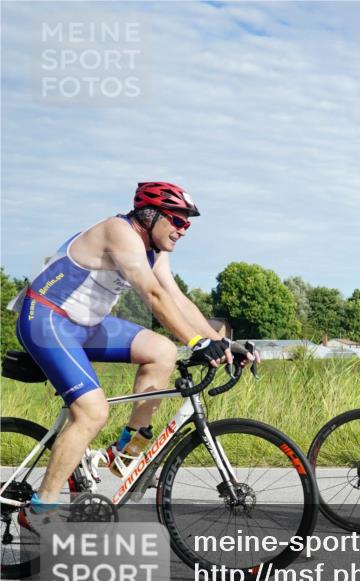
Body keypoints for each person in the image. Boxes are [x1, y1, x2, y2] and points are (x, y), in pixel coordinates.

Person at [9, 182, 253, 530]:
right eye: (178, 221)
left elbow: (176, 298)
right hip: (47, 319)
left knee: (162, 351)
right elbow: (152, 296)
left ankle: (124, 453)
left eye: (188, 223)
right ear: (150, 215)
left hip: (86, 324)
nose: (184, 230)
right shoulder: (118, 231)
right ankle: (39, 509)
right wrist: (198, 343)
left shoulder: (156, 251)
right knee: (92, 412)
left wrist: (223, 343)